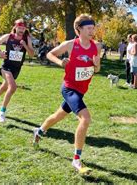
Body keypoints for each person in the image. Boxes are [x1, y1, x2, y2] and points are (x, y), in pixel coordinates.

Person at [32, 14, 101, 174]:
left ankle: (39, 131)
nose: (92, 31)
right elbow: (50, 54)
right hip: (69, 88)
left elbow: (96, 69)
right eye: (89, 28)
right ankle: (76, 159)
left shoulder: (96, 46)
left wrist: (97, 65)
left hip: (81, 90)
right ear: (79, 30)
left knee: (58, 116)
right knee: (85, 118)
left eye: (93, 28)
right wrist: (59, 62)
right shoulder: (70, 44)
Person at [0, 19, 34, 123]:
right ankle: (2, 112)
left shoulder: (27, 39)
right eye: (20, 28)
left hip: (16, 68)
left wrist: (25, 45)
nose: (22, 30)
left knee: (4, 87)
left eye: (23, 28)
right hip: (6, 66)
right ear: (15, 27)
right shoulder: (9, 36)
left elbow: (32, 54)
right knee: (12, 87)